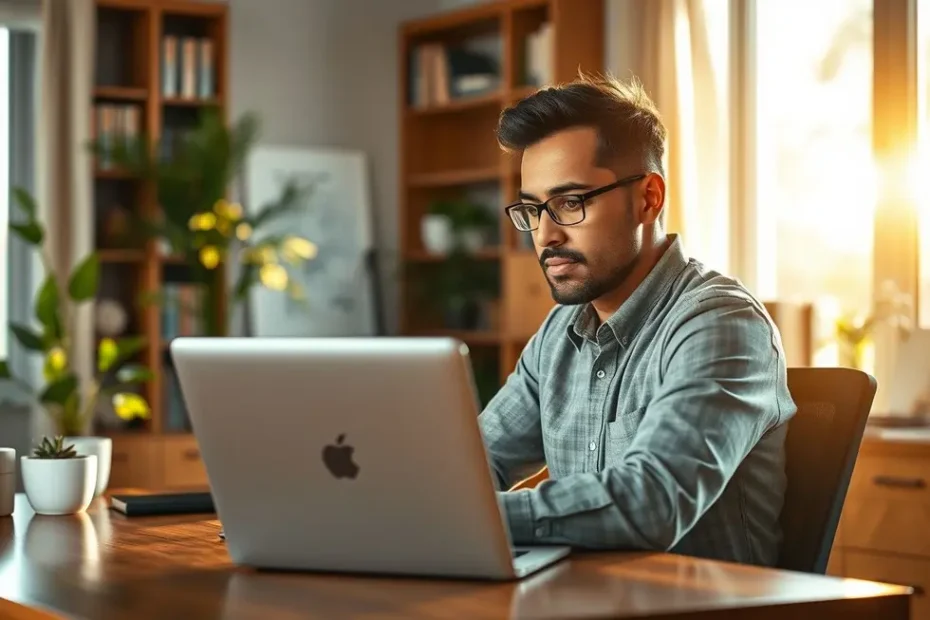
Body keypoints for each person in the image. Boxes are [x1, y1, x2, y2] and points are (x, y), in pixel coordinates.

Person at [478, 73, 796, 567]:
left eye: (569, 203)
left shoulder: (721, 322)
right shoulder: (558, 336)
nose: (545, 235)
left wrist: (474, 518)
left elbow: (653, 503)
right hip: (580, 601)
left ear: (648, 198)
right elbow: (473, 463)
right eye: (533, 209)